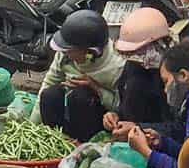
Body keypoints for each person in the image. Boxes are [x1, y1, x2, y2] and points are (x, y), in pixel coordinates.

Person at [32, 9, 123, 140]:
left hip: (100, 121)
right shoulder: (65, 54)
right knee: (50, 94)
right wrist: (32, 126)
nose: (63, 53)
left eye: (69, 50)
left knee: (80, 96)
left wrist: (96, 88)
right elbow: (49, 82)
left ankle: (82, 145)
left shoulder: (116, 66)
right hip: (70, 115)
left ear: (89, 52)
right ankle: (55, 139)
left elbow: (122, 106)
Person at [103, 6, 173, 131]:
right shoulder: (133, 66)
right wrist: (115, 115)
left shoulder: (172, 75)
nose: (137, 57)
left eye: (140, 51)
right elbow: (127, 104)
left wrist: (139, 128)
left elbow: (177, 127)